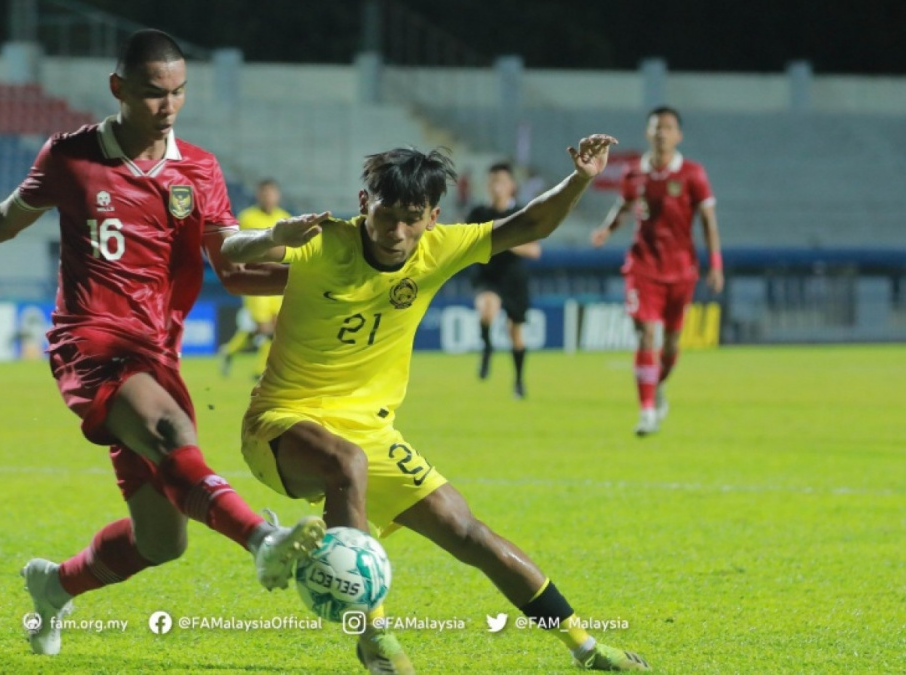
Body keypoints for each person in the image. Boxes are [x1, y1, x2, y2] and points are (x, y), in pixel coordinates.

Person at [0, 29, 325, 658]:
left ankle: (54, 584)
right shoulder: (71, 156)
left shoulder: (199, 168)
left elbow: (229, 260)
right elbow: (3, 219)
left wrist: (288, 255)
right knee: (171, 434)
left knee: (162, 541)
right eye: (154, 93)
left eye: (179, 92)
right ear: (119, 88)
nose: (169, 106)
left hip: (157, 350)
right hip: (90, 340)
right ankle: (263, 540)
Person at [222, 139, 650, 672]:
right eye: (385, 215)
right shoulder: (321, 240)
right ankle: (373, 635)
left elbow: (530, 225)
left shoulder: (440, 247)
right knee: (344, 464)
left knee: (468, 532)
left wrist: (581, 178)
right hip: (279, 424)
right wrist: (270, 237)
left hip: (371, 431)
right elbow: (230, 256)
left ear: (432, 218)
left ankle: (586, 648)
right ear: (363, 202)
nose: (396, 232)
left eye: (411, 219)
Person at [590, 106, 723, 437]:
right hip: (643, 266)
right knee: (647, 334)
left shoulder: (693, 173)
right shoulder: (634, 174)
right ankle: (646, 411)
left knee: (672, 345)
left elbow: (708, 221)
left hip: (681, 270)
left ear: (679, 135)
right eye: (656, 127)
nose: (661, 132)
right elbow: (623, 205)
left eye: (668, 127)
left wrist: (716, 264)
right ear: (647, 133)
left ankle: (656, 388)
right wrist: (607, 229)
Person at [466, 162, 540, 399]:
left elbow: (535, 251)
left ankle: (519, 381)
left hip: (514, 279)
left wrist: (506, 241)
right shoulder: (478, 214)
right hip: (488, 276)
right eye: (492, 181)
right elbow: (466, 242)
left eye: (501, 181)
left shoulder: (521, 214)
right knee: (487, 309)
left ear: (511, 186)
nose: (496, 186)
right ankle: (487, 347)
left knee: (515, 332)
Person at [218, 178, 291, 379]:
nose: (268, 197)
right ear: (258, 195)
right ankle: (261, 371)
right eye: (264, 193)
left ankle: (230, 352)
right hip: (254, 279)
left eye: (271, 193)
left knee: (275, 328)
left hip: (275, 279)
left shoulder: (284, 218)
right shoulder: (246, 217)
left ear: (277, 196)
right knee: (264, 328)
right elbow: (234, 245)